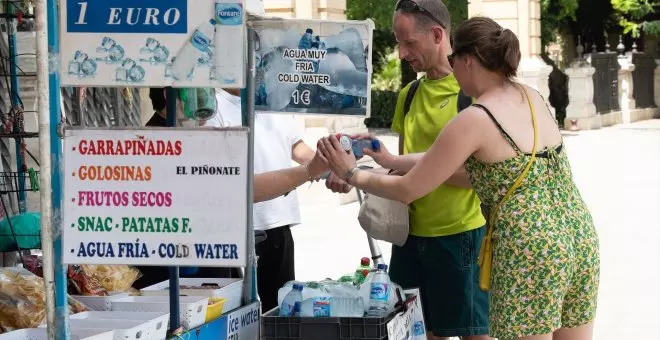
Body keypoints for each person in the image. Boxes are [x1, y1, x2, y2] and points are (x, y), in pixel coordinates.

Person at [318, 16, 600, 340]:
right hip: (579, 235)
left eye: (454, 60)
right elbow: (449, 158)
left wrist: (351, 173)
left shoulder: (475, 118)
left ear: (467, 60)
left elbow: (408, 189)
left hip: (530, 247)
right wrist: (391, 159)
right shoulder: (531, 97)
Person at [359, 1, 491, 339]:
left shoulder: (473, 95)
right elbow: (402, 170)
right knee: (418, 334)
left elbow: (480, 178)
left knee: (475, 334)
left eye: (409, 43)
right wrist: (351, 168)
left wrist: (424, 173)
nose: (401, 53)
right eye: (398, 43)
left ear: (436, 35)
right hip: (409, 239)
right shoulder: (409, 94)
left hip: (459, 238)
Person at [202, 88, 338, 311]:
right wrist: (314, 169)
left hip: (279, 222)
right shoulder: (211, 106)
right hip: (236, 229)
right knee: (239, 311)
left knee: (280, 307)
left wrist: (334, 164)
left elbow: (297, 147)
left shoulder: (275, 99)